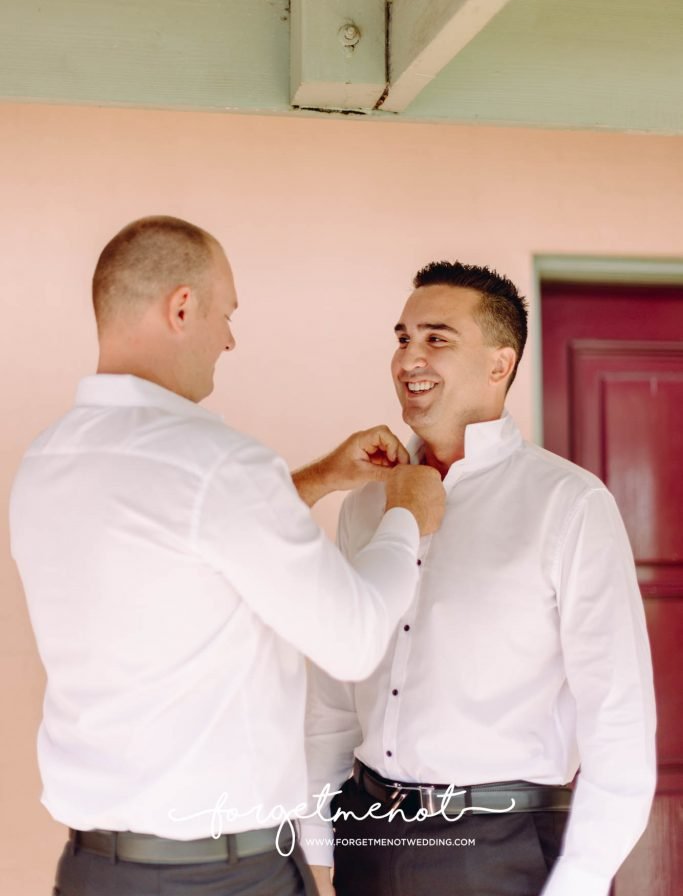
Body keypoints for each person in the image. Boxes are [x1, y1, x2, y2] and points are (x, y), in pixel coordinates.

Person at [9, 216, 446, 896]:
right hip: (223, 876)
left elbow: (177, 549)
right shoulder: (218, 464)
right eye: (226, 313)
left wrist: (315, 481)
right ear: (182, 307)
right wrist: (406, 519)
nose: (229, 339)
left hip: (94, 871)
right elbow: (354, 639)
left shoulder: (48, 459)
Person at [303, 261, 656, 896]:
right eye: (403, 337)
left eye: (437, 338)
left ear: (500, 365)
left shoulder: (569, 504)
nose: (410, 355)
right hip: (368, 838)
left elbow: (620, 718)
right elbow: (335, 685)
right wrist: (316, 842)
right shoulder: (364, 503)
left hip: (506, 852)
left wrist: (579, 880)